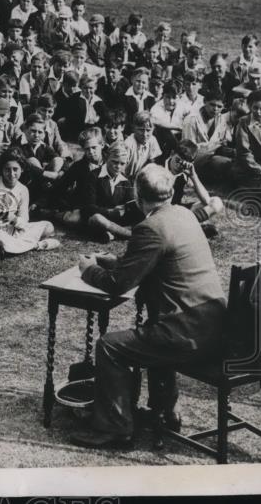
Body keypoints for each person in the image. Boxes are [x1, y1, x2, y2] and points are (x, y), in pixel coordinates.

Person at [70, 165, 226, 449]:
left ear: (138, 196)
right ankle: (166, 411)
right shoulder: (184, 215)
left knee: (108, 346)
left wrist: (88, 270)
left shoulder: (149, 227)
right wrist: (116, 261)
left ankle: (116, 426)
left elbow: (118, 285)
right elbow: (158, 261)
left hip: (183, 335)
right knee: (152, 330)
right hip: (214, 327)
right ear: (169, 193)